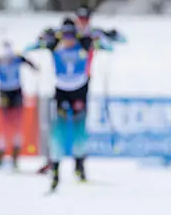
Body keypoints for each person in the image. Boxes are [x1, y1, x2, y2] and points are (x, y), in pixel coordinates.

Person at [26, 18, 114, 191]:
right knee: (58, 130)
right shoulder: (55, 44)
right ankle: (56, 168)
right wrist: (43, 37)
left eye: (71, 35)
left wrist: (98, 37)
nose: (68, 39)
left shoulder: (84, 43)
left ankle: (79, 167)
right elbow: (30, 48)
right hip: (61, 90)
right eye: (65, 35)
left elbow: (108, 47)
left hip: (80, 89)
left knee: (79, 130)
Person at [0, 41, 38, 170]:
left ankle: (15, 158)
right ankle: (0, 156)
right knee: (4, 127)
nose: (8, 61)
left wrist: (35, 69)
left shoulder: (18, 59)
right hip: (4, 93)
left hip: (16, 92)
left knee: (17, 126)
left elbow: (30, 64)